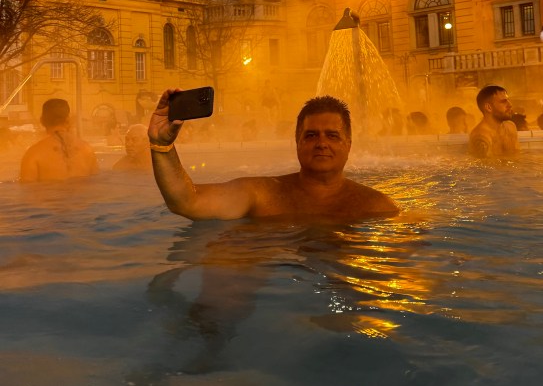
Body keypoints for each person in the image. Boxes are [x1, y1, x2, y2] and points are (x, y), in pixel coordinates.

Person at [148, 89, 399, 221]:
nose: (321, 143)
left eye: (332, 135)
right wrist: (162, 145)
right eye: (311, 135)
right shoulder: (262, 194)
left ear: (348, 145)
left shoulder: (376, 205)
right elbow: (187, 202)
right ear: (297, 142)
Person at [20, 98, 99, 182]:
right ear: (68, 120)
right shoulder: (87, 150)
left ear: (42, 121)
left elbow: (27, 187)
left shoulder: (33, 154)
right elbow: (95, 182)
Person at [468, 85, 518, 158]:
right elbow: (484, 165)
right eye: (503, 101)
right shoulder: (481, 137)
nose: (510, 105)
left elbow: (517, 155)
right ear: (489, 107)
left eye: (508, 100)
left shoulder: (511, 127)